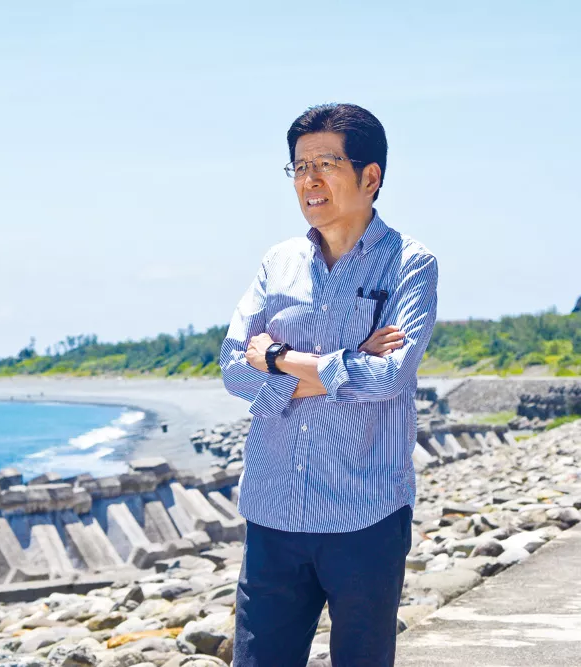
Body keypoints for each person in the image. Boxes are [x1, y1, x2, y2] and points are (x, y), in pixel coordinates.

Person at [219, 103, 439, 666]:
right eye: (299, 167)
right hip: (273, 510)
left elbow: (390, 377)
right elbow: (232, 368)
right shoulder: (278, 263)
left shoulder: (409, 264)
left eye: (326, 164)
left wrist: (279, 359)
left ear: (370, 176)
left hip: (365, 514)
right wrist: (348, 362)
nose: (309, 180)